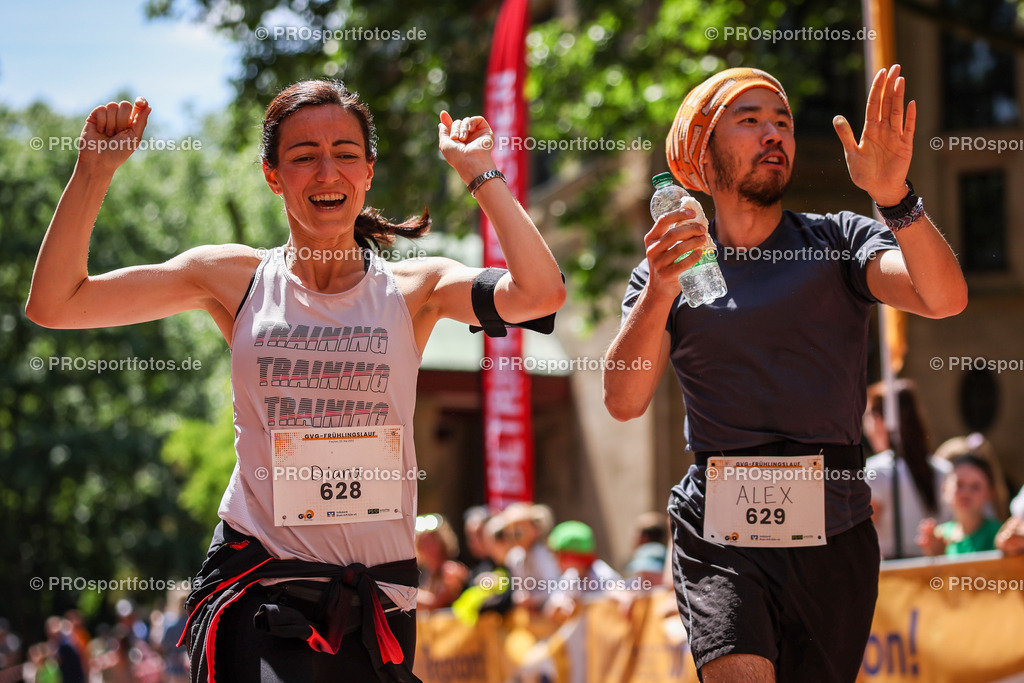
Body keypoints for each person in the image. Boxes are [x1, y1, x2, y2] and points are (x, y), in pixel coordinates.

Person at [26, 79, 565, 681]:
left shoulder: (415, 289)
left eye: (346, 154)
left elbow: (541, 293)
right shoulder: (233, 279)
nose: (326, 171)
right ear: (272, 175)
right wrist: (94, 174)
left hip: (378, 601)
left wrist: (479, 172)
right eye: (304, 157)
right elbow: (56, 304)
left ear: (367, 173)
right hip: (262, 581)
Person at [603, 65, 967, 683]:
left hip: (836, 528)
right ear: (701, 150)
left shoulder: (839, 240)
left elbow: (943, 298)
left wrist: (895, 200)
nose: (774, 134)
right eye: (749, 121)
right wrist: (659, 291)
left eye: (784, 123)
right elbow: (623, 400)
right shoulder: (673, 268)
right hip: (719, 531)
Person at [863, 379, 951, 559]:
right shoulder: (944, 469)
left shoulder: (877, 472)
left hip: (894, 575)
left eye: (866, 417)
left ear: (878, 420)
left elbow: (861, 536)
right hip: (936, 573)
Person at [917, 453, 1003, 556]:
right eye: (959, 485)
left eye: (975, 487)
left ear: (990, 493)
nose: (966, 493)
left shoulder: (1001, 536)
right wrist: (935, 557)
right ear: (944, 488)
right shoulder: (939, 535)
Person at [415, 514, 469, 610]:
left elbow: (435, 603)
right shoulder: (425, 573)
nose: (427, 548)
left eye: (431, 542)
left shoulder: (451, 569)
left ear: (442, 542)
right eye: (423, 543)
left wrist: (404, 593)